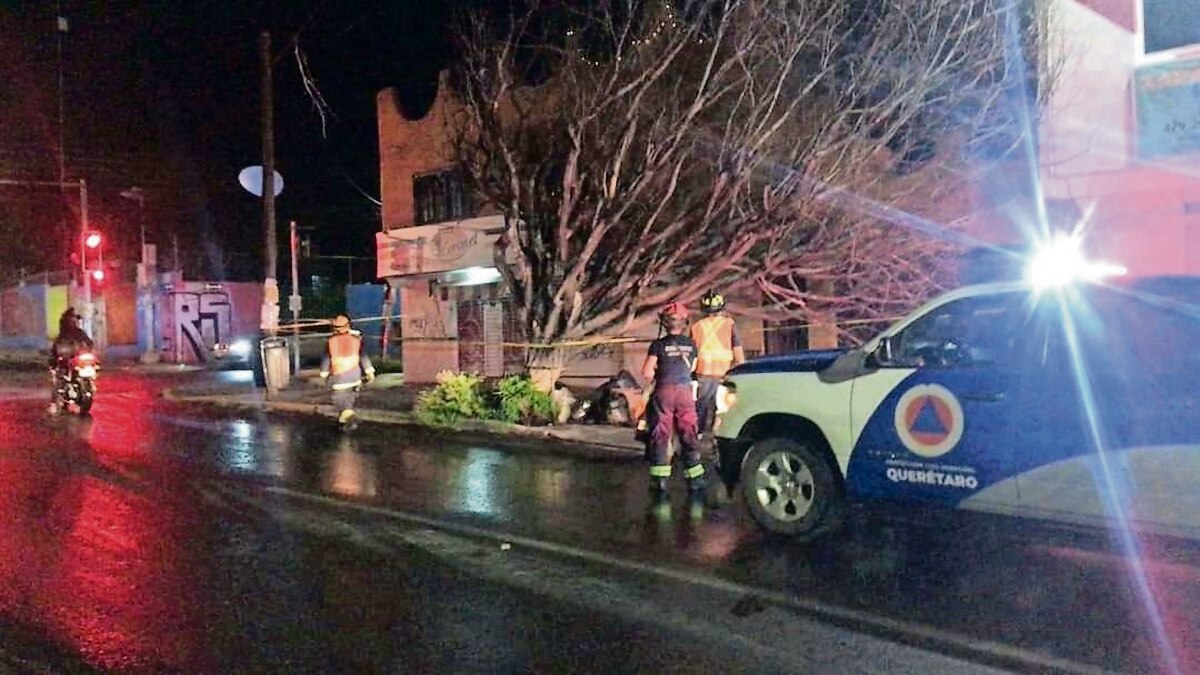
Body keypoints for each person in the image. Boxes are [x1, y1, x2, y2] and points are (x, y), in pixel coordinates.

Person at [642, 302, 706, 495]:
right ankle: (695, 480)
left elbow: (646, 372)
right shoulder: (692, 345)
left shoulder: (658, 345)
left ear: (664, 322)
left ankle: (660, 481)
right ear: (684, 322)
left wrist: (660, 376)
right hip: (685, 391)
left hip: (664, 391)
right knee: (688, 431)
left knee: (661, 432)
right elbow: (693, 368)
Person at [690, 290, 745, 438]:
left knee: (701, 405)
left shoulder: (696, 327)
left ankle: (698, 434)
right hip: (724, 372)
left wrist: (691, 374)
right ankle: (719, 434)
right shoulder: (729, 324)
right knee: (722, 406)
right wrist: (743, 368)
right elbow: (737, 348)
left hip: (703, 372)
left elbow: (692, 352)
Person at [320, 315, 375, 429]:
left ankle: (350, 419)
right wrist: (370, 372)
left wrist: (324, 373)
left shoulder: (331, 341)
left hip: (339, 378)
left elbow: (327, 358)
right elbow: (363, 356)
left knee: (339, 400)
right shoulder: (356, 340)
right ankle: (345, 422)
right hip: (355, 377)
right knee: (350, 398)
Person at [47, 308, 93, 414]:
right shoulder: (74, 333)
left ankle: (54, 403)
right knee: (60, 378)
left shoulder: (69, 334)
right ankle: (56, 402)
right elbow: (56, 350)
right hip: (73, 361)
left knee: (59, 379)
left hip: (76, 361)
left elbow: (89, 344)